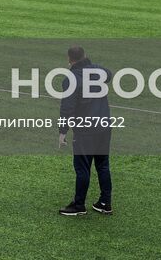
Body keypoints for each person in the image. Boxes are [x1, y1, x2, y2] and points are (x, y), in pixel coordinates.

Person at [58, 45, 113, 217]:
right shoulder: (97, 70)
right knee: (103, 165)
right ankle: (105, 203)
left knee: (82, 168)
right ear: (85, 55)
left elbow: (67, 107)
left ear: (69, 59)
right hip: (104, 126)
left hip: (85, 130)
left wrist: (62, 131)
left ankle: (79, 205)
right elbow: (109, 74)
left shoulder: (71, 78)